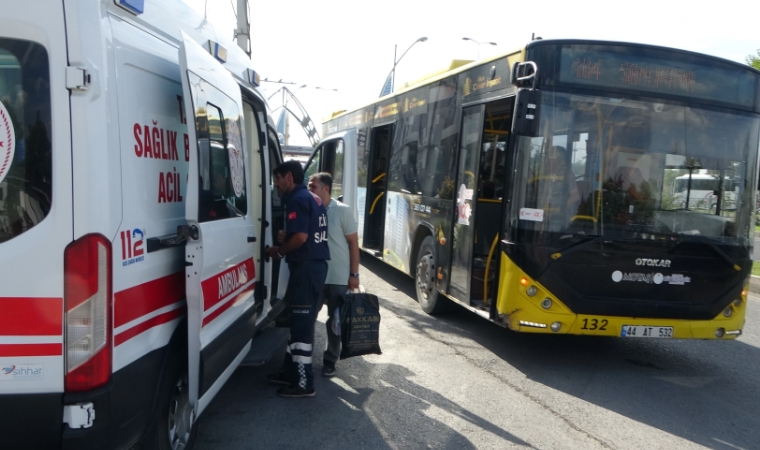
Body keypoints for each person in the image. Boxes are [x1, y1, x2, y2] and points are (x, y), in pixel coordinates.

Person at [266, 160, 329, 398]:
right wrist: (288, 236)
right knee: (297, 323)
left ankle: (304, 383)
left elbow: (301, 238)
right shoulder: (313, 198)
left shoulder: (297, 199)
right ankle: (290, 372)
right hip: (313, 269)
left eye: (277, 180)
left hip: (305, 269)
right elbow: (308, 232)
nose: (276, 185)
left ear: (289, 177)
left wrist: (279, 251)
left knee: (301, 328)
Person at [307, 172, 360, 377]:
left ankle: (330, 360)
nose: (309, 190)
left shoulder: (342, 211)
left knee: (335, 321)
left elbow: (354, 244)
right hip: (316, 275)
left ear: (326, 189)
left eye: (313, 187)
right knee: (309, 317)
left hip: (338, 276)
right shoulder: (310, 208)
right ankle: (305, 359)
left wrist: (354, 274)